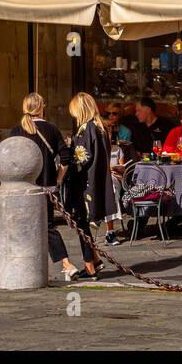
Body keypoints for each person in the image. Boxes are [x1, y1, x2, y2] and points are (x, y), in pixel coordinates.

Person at [7, 93, 92, 280]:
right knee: (47, 225)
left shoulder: (16, 130)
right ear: (41, 108)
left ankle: (60, 264)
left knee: (24, 226)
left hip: (24, 185)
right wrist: (58, 179)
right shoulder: (51, 129)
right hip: (47, 185)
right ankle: (65, 264)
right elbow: (66, 158)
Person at [63, 92, 121, 277]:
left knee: (81, 223)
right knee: (83, 224)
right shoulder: (101, 127)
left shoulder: (86, 128)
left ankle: (90, 265)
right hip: (95, 180)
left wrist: (67, 158)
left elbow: (82, 158)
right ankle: (94, 259)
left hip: (84, 183)